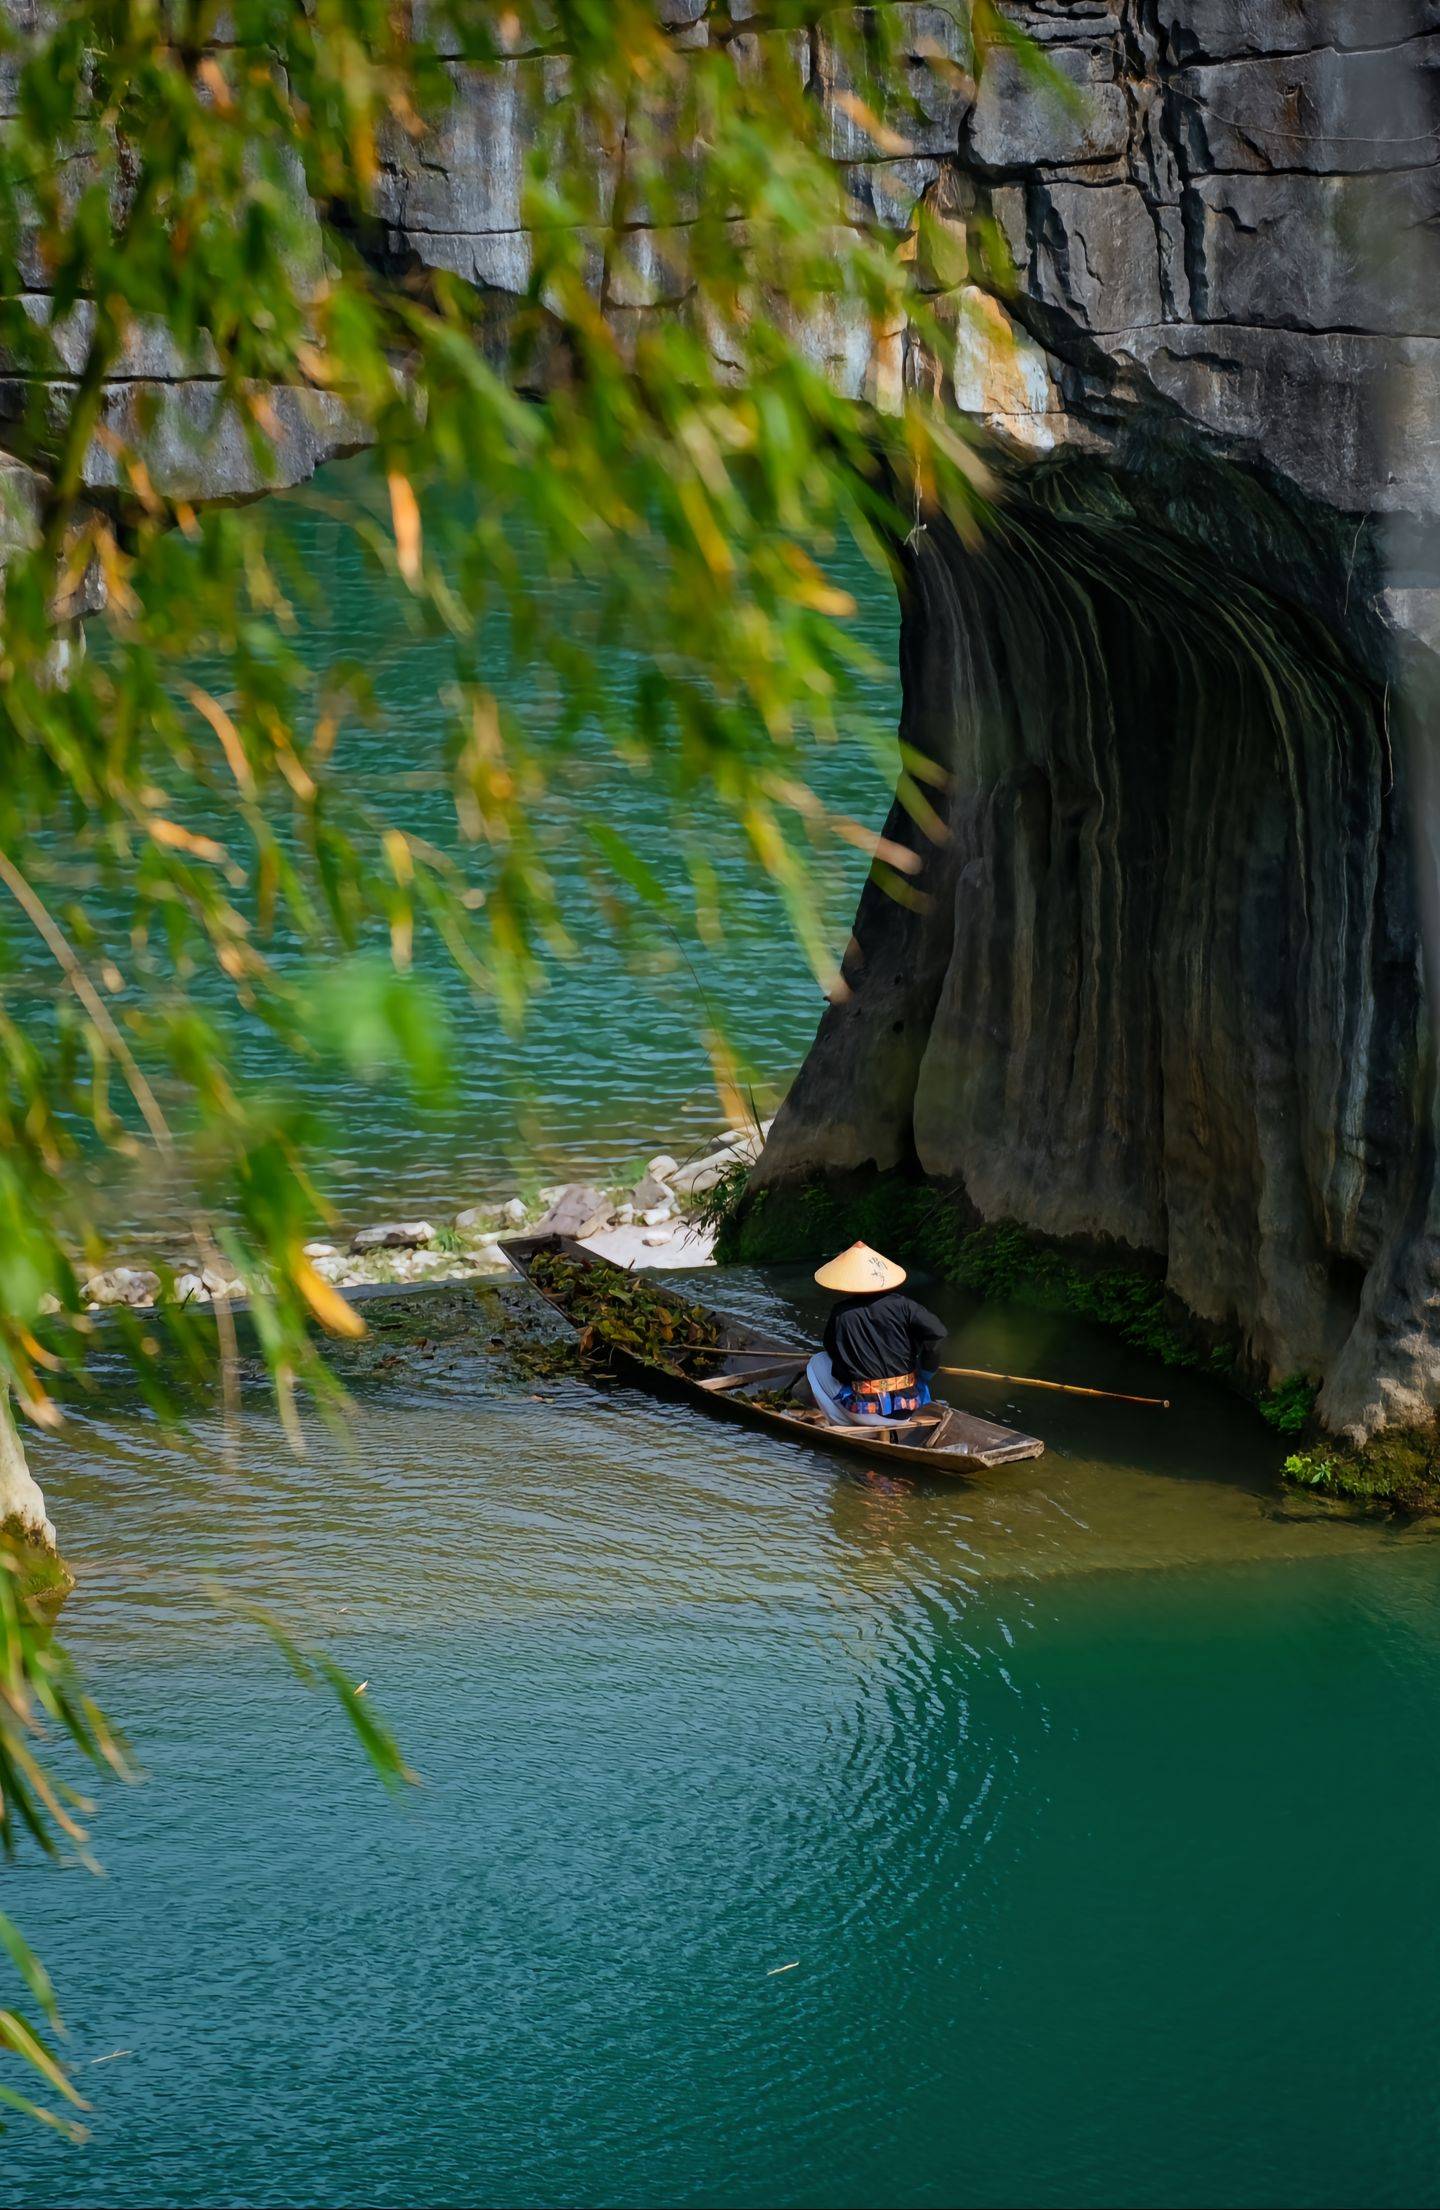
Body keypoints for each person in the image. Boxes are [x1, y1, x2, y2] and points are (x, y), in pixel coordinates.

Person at [805, 1242, 946, 1426]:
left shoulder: (841, 1313)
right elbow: (938, 1334)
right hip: (907, 1409)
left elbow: (833, 1353)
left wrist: (854, 1375)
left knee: (816, 1362)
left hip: (863, 1413)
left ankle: (841, 1423)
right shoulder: (904, 1305)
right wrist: (926, 1371)